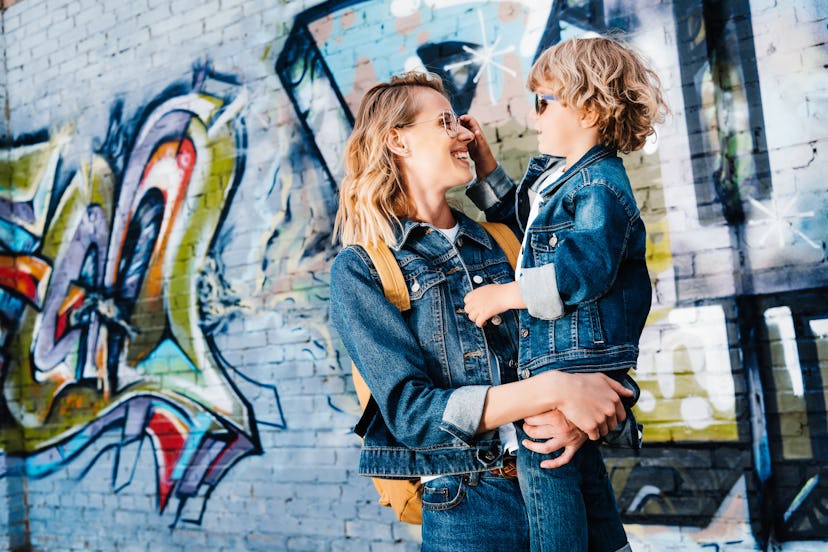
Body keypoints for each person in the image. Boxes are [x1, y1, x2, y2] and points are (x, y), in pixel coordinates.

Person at [329, 71, 633, 551]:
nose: (466, 134)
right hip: (471, 508)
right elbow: (413, 414)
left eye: (462, 123)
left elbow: (600, 326)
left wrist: (585, 413)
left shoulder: (507, 241)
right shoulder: (363, 269)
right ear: (397, 141)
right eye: (446, 122)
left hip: (572, 486)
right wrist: (551, 390)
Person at [462, 36, 669, 552]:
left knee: (546, 472)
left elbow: (581, 273)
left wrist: (504, 296)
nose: (535, 118)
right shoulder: (562, 181)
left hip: (575, 358)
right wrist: (487, 167)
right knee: (580, 479)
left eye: (543, 102)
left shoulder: (598, 187)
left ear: (590, 107)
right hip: (569, 356)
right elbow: (526, 230)